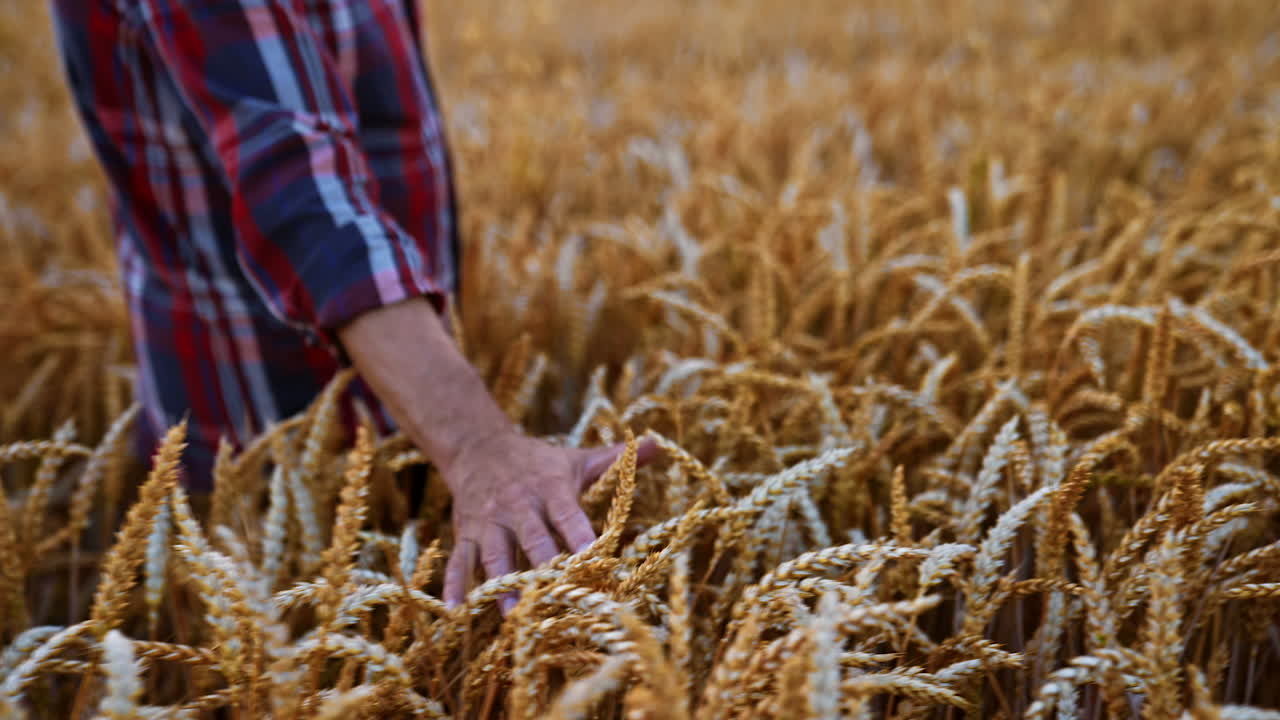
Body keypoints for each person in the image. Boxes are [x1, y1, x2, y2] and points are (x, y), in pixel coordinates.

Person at [51, 0, 655, 609]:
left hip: (406, 390)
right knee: (286, 660)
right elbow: (300, 191)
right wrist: (476, 445)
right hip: (259, 419)